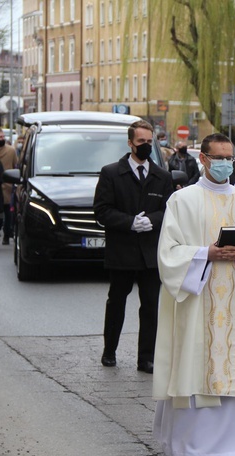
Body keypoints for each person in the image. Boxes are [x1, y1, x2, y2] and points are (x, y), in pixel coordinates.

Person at [153, 133, 235, 456]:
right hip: (197, 303)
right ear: (204, 160)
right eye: (219, 157)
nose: (226, 163)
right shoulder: (182, 201)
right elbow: (168, 254)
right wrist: (204, 253)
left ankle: (231, 450)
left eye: (230, 156)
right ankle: (190, 448)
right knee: (197, 364)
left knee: (234, 370)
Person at [93, 120, 174, 373]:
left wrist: (151, 220)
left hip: (151, 253)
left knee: (150, 306)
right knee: (116, 302)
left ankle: (146, 358)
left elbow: (169, 209)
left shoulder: (162, 176)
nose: (146, 146)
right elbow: (102, 211)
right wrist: (130, 223)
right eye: (141, 142)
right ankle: (110, 351)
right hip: (122, 251)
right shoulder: (111, 173)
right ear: (130, 143)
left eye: (150, 142)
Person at [0, 128, 19, 246]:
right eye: (0, 137)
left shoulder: (11, 151)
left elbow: (16, 165)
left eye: (3, 137)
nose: (3, 139)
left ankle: (6, 235)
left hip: (7, 186)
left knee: (8, 212)